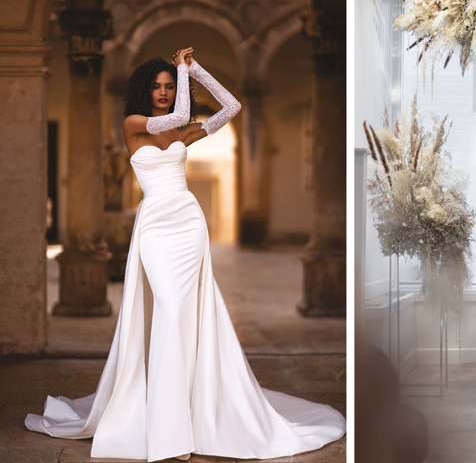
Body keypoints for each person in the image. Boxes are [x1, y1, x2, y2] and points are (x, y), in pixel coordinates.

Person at [25, 48, 346, 462]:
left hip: (188, 224)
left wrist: (195, 71)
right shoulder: (134, 124)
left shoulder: (186, 132)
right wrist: (178, 69)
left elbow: (232, 106)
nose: (163, 92)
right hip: (156, 225)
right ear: (146, 90)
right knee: (171, 310)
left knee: (183, 314)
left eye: (170, 87)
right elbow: (176, 118)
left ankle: (182, 420)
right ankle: (165, 426)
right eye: (157, 86)